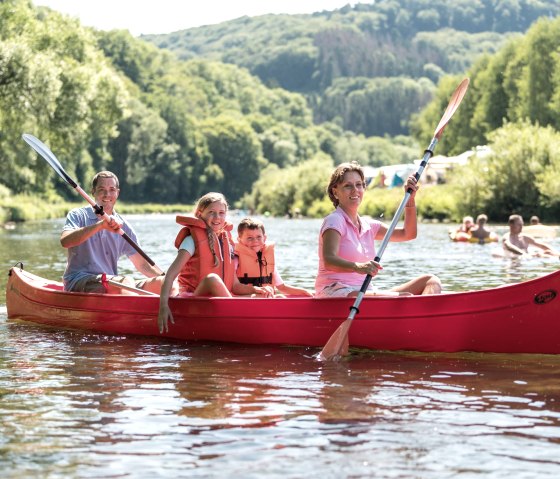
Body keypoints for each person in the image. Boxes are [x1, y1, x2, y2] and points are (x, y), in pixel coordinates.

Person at [315, 161, 442, 298]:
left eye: (359, 185)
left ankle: (421, 316)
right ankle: (418, 315)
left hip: (364, 291)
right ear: (335, 192)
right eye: (347, 186)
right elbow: (329, 260)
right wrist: (358, 267)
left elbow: (408, 234)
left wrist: (410, 201)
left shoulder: (368, 226)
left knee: (431, 281)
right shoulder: (335, 220)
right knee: (405, 297)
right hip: (335, 291)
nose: (355, 190)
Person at [158, 193, 274, 333]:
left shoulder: (227, 242)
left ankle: (253, 321)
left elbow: (235, 285)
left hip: (223, 298)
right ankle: (242, 322)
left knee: (263, 295)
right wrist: (163, 305)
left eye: (221, 213)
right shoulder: (191, 240)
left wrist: (256, 289)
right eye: (211, 212)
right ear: (200, 214)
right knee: (212, 279)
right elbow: (171, 274)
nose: (217, 217)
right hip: (194, 297)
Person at [61, 171, 164, 294]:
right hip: (79, 281)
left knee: (162, 283)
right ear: (93, 192)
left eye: (111, 189)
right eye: (101, 189)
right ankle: (138, 309)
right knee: (126, 282)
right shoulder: (78, 215)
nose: (107, 194)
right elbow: (65, 241)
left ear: (117, 193)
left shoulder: (123, 226)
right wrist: (100, 226)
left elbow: (142, 265)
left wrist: (168, 279)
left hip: (110, 282)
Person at [235, 217, 313, 297]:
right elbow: (232, 286)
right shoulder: (235, 258)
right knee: (278, 297)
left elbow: (282, 287)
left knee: (280, 297)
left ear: (264, 238)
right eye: (250, 238)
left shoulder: (267, 259)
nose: (255, 241)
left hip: (262, 298)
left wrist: (305, 291)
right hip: (242, 299)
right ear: (239, 239)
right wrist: (256, 290)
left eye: (259, 237)